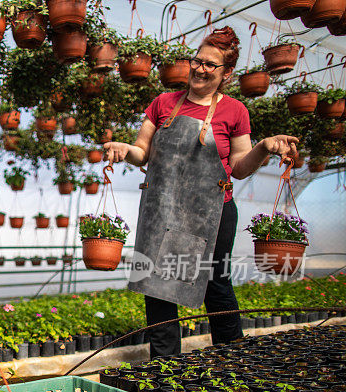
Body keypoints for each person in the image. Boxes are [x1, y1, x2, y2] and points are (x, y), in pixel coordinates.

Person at [103, 27, 299, 357]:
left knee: (215, 284)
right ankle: (165, 368)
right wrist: (125, 149)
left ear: (227, 73)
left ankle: (230, 359)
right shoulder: (163, 103)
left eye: (210, 64)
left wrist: (263, 147)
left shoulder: (235, 111)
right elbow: (143, 152)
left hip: (214, 212)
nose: (200, 69)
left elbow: (237, 165)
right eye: (197, 60)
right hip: (162, 212)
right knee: (158, 286)